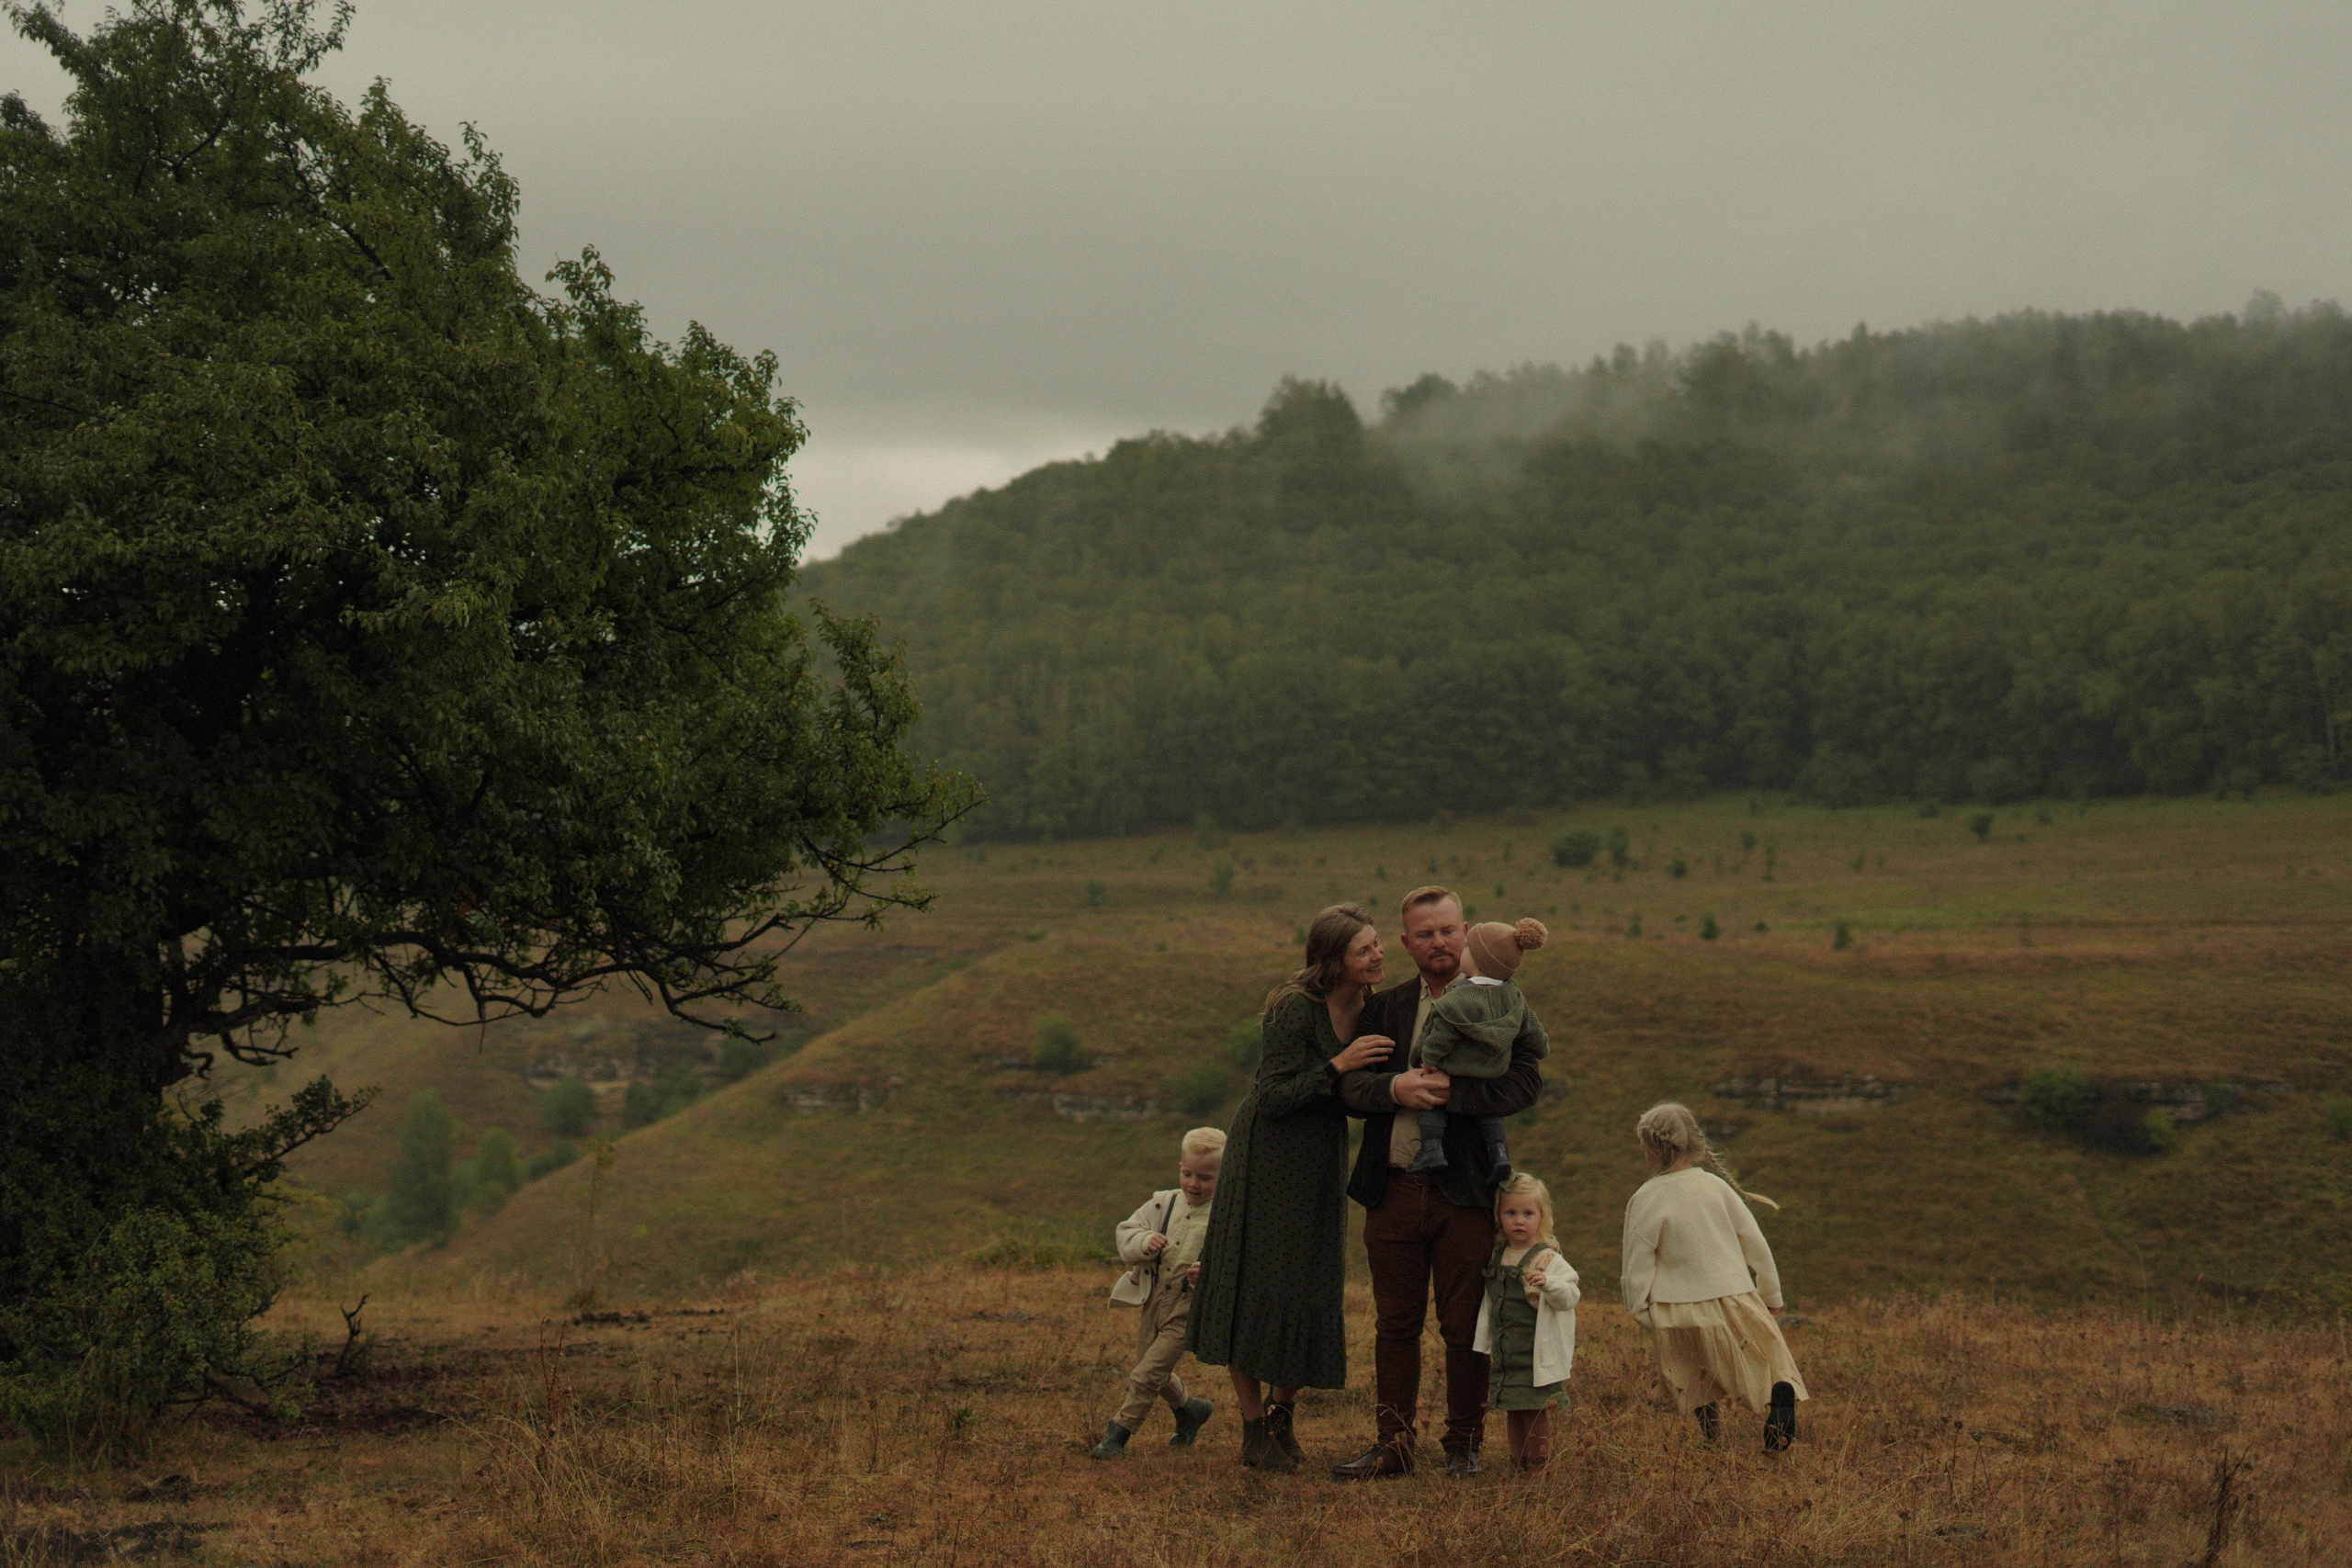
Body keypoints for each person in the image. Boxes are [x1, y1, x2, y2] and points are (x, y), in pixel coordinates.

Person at [1333, 886, 1545, 1481]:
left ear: (1466, 929)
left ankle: (1464, 1446)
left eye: (1448, 930)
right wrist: (1396, 1088)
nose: (1439, 942)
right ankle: (1393, 1446)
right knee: (1394, 1323)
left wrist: (1461, 1095)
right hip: (1394, 1185)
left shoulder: (1503, 998)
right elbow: (1350, 1087)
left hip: (1469, 1191)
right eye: (1425, 933)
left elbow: (1528, 1079)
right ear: (1407, 943)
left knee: (1464, 1322)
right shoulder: (1385, 1007)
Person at [1189, 904, 1395, 1472]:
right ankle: (1254, 1426)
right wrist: (1339, 1064)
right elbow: (1275, 1094)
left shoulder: (1374, 1008)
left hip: (1321, 1156)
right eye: (1365, 950)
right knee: (1257, 1283)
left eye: (1378, 945)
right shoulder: (1293, 1009)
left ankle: (1283, 1416)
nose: (1378, 955)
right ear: (1334, 960)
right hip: (1269, 1154)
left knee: (1308, 1281)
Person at [1620, 1101, 1807, 1451]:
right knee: (1759, 1358)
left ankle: (1712, 1437)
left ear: (1655, 1149)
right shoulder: (1717, 1188)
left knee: (1692, 1375)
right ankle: (1776, 1398)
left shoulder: (1646, 1198)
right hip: (1735, 1296)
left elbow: (1637, 1263)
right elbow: (1756, 1244)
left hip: (1677, 1307)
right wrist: (1771, 1297)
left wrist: (1641, 1310)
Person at [1090, 1127, 1226, 1460]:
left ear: (1225, 1175)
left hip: (1188, 1307)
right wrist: (1143, 1243)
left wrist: (1208, 1274)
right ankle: (1191, 1409)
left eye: (1206, 1178)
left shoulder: (1226, 1215)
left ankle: (1116, 1437)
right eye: (1188, 1174)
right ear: (1179, 1167)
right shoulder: (1163, 1203)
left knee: (1147, 1374)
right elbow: (1127, 1231)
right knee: (1148, 1366)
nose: (1194, 1184)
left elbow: (1237, 1261)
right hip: (1153, 1299)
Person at [1406, 918, 1550, 1185]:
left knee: (1432, 1107)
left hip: (1454, 1071)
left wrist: (1429, 1062)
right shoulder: (1514, 998)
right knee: (1490, 1115)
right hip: (1491, 1073)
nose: (1464, 950)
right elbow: (1535, 1036)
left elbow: (1441, 1036)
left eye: (1470, 947)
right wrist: (1542, 1047)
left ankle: (1431, 1149)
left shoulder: (1456, 1000)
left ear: (1481, 961)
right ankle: (1498, 1156)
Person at [1476, 1174, 1579, 1473]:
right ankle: (1517, 1461)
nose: (1518, 1221)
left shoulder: (1548, 1259)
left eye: (1527, 1213)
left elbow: (1570, 1295)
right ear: (1499, 1215)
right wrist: (1484, 1341)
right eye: (1511, 1213)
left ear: (1542, 1217)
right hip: (1508, 1353)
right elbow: (1489, 1302)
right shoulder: (1499, 1256)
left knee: (1535, 1412)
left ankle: (1537, 1467)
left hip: (1536, 1354)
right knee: (1513, 1410)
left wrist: (1548, 1284)